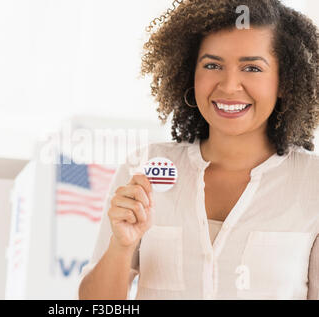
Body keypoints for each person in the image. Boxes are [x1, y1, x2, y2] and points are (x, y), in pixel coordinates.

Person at [78, 0, 319, 300]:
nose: (230, 86)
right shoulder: (145, 169)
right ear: (190, 72)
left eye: (252, 67)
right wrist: (122, 245)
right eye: (212, 65)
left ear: (284, 82)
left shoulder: (313, 184)